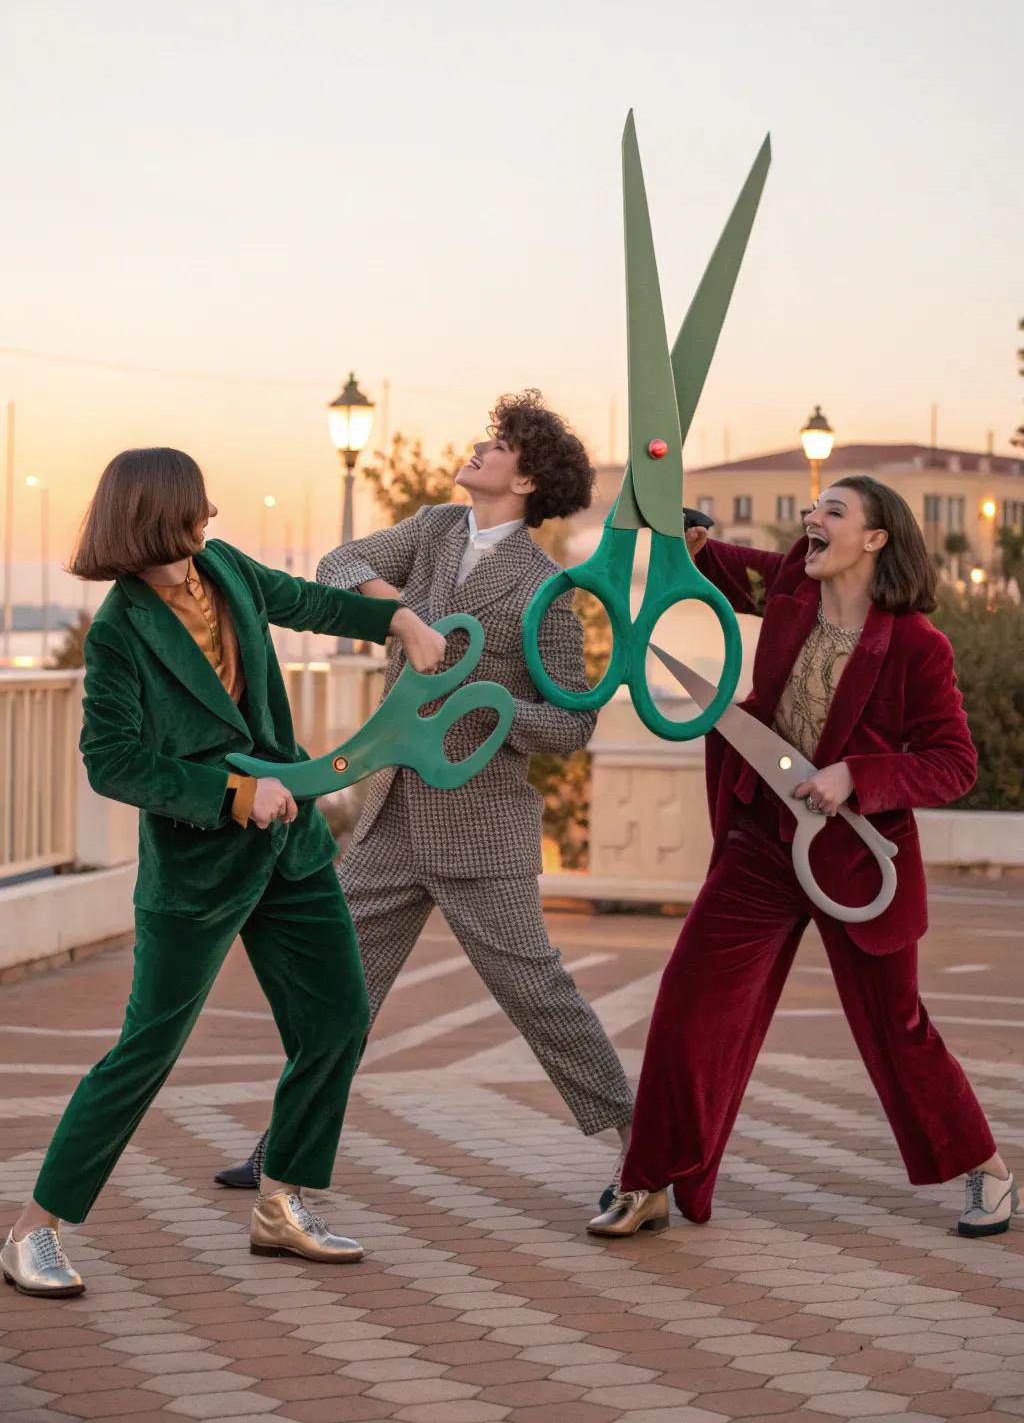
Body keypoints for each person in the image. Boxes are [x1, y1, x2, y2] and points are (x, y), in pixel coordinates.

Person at [1, 447, 444, 1298]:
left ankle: (282, 1202)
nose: (210, 516)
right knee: (146, 1050)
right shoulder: (119, 630)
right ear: (156, 514)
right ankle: (34, 1230)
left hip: (293, 851)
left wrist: (399, 622)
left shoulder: (227, 569)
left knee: (336, 1020)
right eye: (197, 505)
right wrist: (234, 793)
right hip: (199, 869)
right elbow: (112, 761)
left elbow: (312, 603)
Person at [216, 391, 634, 1200]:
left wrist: (499, 709)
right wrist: (404, 617)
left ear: (530, 477)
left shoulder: (547, 587)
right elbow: (340, 566)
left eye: (501, 443)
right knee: (339, 989)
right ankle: (280, 1149)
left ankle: (638, 1141)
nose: (480, 447)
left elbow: (572, 724)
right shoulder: (438, 529)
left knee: (538, 995)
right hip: (391, 816)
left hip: (479, 828)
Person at [588, 476, 1016, 1241]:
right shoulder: (791, 581)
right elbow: (709, 566)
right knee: (691, 1006)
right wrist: (676, 529)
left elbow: (954, 762)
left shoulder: (919, 646)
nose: (811, 519)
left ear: (876, 539)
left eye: (833, 513)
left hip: (858, 860)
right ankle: (646, 1179)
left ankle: (987, 1173)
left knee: (896, 1028)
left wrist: (860, 775)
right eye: (815, 510)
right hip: (761, 845)